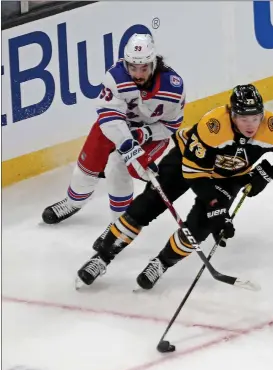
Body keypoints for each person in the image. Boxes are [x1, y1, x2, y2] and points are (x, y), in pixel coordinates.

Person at [75, 84, 273, 290]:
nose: (250, 125)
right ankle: (103, 257)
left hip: (228, 176)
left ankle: (160, 263)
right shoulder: (213, 126)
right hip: (186, 162)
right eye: (244, 118)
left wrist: (269, 172)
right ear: (232, 114)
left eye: (255, 117)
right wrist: (214, 205)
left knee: (200, 227)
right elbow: (193, 173)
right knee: (147, 207)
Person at [41, 33, 185, 249]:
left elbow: (171, 125)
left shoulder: (172, 88)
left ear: (153, 63)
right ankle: (74, 202)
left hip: (152, 134)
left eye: (143, 68)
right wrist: (128, 144)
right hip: (117, 127)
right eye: (133, 67)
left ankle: (118, 225)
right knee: (87, 166)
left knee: (118, 166)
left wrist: (144, 135)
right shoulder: (115, 77)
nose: (137, 74)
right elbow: (108, 117)